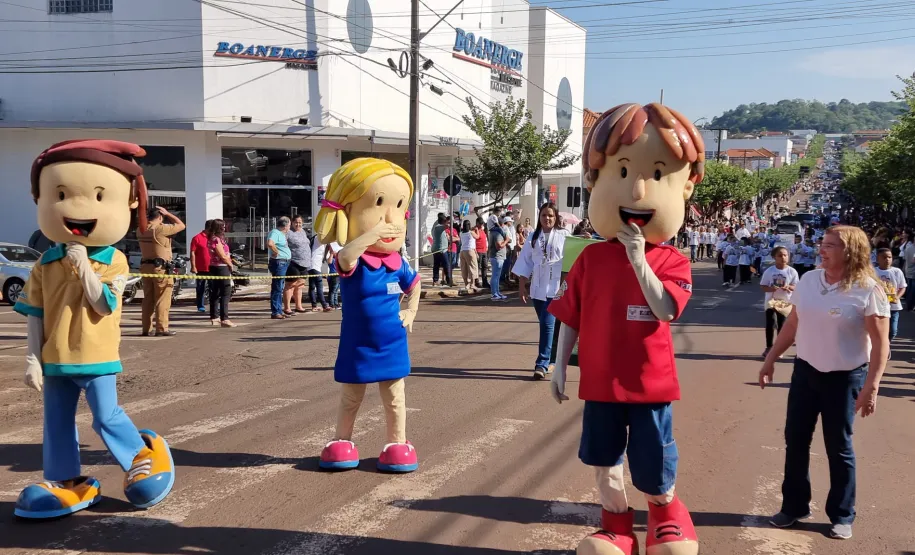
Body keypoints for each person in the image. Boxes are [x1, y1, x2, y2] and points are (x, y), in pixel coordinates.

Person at [549, 102, 704, 555]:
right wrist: (559, 367)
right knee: (604, 461)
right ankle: (616, 524)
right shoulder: (590, 259)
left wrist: (639, 260)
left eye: (656, 174)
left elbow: (665, 309)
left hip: (649, 383)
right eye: (620, 171)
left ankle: (666, 515)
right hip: (600, 381)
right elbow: (570, 316)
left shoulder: (673, 261)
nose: (637, 190)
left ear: (684, 187)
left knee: (654, 460)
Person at [13, 140, 174, 519]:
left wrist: (83, 265)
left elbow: (104, 304)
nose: (77, 208)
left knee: (105, 416)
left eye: (100, 196)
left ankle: (140, 454)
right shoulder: (44, 264)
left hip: (96, 355)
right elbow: (35, 313)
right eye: (60, 195)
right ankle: (66, 480)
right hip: (55, 358)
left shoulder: (114, 260)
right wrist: (32, 359)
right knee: (56, 422)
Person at [760, 225, 890, 541]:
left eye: (831, 245)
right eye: (823, 243)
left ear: (851, 251)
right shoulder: (808, 280)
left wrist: (871, 387)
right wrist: (771, 357)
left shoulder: (868, 290)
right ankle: (794, 507)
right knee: (795, 440)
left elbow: (881, 343)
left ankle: (842, 515)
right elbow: (793, 323)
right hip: (805, 372)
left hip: (845, 378)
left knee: (838, 446)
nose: (822, 249)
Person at [313, 158, 421, 473]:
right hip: (358, 343)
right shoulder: (354, 261)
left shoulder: (397, 263)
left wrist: (411, 310)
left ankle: (397, 444)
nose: (390, 218)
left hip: (392, 342)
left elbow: (415, 284)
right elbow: (346, 256)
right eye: (378, 204)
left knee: (395, 398)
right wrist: (370, 235)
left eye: (398, 207)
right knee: (351, 396)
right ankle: (341, 441)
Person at [512, 202, 568, 380]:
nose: (547, 218)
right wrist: (522, 286)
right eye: (544, 215)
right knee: (550, 326)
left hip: (557, 288)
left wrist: (586, 239)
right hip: (537, 288)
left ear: (556, 217)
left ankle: (541, 364)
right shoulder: (533, 236)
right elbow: (525, 261)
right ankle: (553, 359)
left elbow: (576, 254)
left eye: (550, 215)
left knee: (547, 324)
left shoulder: (564, 235)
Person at [137, 205, 185, 336]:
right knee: (162, 299)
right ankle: (162, 328)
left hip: (146, 267)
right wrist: (168, 214)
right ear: (160, 217)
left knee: (148, 299)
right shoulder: (160, 229)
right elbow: (181, 225)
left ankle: (146, 328)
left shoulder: (140, 229)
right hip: (160, 269)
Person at [760, 246, 799, 358]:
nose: (783, 258)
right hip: (771, 301)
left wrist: (789, 287)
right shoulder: (770, 271)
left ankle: (778, 348)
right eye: (780, 255)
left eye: (785, 255)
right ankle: (769, 347)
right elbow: (763, 286)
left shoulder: (792, 271)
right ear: (774, 257)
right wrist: (771, 288)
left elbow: (796, 286)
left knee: (782, 325)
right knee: (770, 323)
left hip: (785, 302)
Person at [206, 219, 236, 328]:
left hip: (215, 267)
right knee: (225, 292)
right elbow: (222, 255)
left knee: (215, 292)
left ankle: (215, 316)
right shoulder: (216, 240)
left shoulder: (213, 238)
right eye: (223, 226)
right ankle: (224, 318)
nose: (224, 228)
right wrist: (230, 264)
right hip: (221, 267)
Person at [874, 248, 905, 350]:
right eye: (884, 257)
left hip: (893, 307)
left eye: (889, 257)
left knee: (893, 330)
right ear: (878, 259)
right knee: (879, 330)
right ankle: (882, 347)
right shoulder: (874, 272)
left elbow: (902, 287)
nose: (887, 259)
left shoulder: (897, 271)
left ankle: (887, 344)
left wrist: (897, 297)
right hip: (879, 307)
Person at [283, 215, 311, 315]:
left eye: (300, 222)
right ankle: (287, 308)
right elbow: (283, 245)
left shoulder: (303, 231)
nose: (298, 224)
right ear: (292, 223)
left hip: (305, 263)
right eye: (296, 222)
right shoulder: (288, 233)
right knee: (290, 285)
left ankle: (299, 306)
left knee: (300, 285)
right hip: (293, 262)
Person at [267, 217, 291, 319]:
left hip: (284, 262)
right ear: (285, 226)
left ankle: (279, 310)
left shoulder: (282, 234)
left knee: (280, 287)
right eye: (289, 225)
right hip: (279, 262)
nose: (289, 227)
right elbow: (270, 243)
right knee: (277, 287)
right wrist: (276, 252)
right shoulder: (275, 232)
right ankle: (275, 311)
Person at [190, 220, 213, 313]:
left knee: (214, 288)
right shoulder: (197, 238)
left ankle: (214, 305)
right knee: (200, 288)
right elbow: (192, 253)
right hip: (201, 268)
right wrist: (193, 266)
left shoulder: (214, 238)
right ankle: (200, 305)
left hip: (213, 267)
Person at [488, 216, 509, 301]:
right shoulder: (497, 233)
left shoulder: (493, 232)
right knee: (495, 276)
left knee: (497, 276)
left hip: (497, 257)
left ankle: (497, 293)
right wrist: (506, 240)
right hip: (497, 257)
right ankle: (494, 294)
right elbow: (499, 246)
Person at [430, 213, 453, 287]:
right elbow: (447, 226)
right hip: (441, 250)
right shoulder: (438, 227)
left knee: (436, 265)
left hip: (437, 249)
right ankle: (448, 280)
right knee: (446, 265)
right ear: (443, 221)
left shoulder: (435, 225)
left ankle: (435, 280)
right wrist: (450, 220)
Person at [458, 220, 479, 291]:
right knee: (472, 267)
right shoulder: (471, 232)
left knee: (464, 268)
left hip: (462, 251)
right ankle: (472, 284)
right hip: (470, 250)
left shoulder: (461, 233)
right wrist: (477, 230)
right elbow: (477, 237)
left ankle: (466, 284)